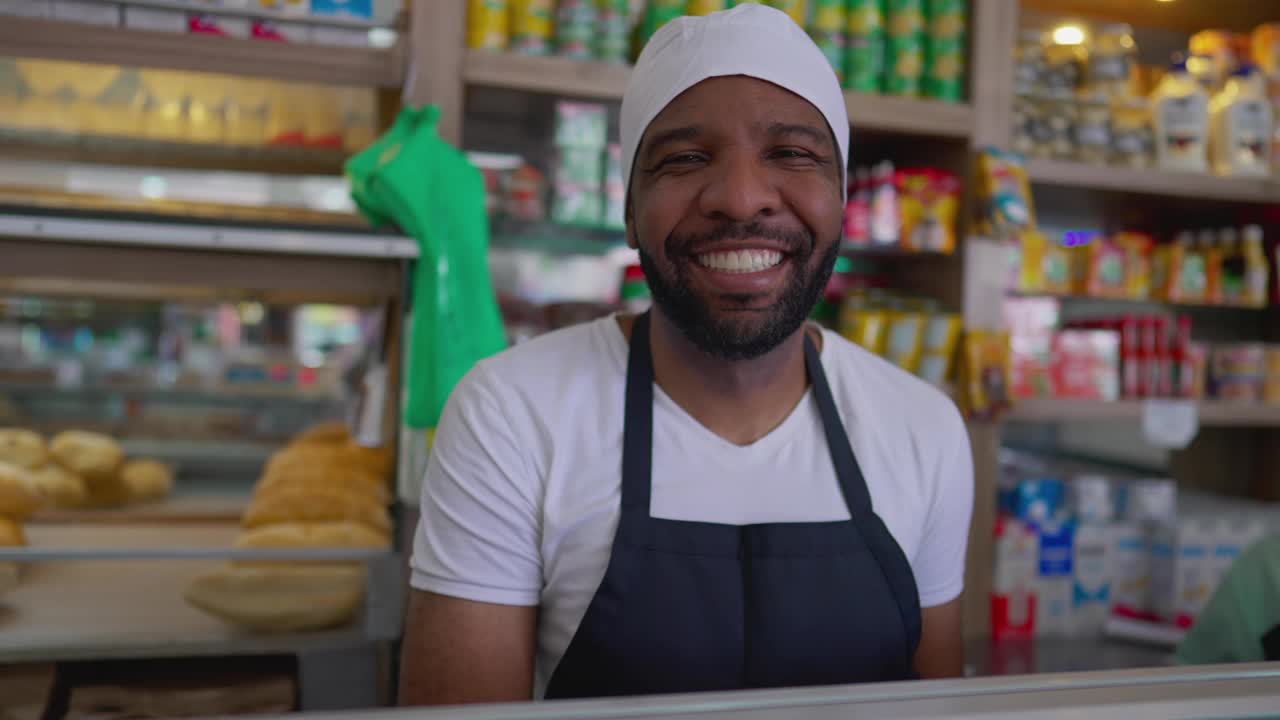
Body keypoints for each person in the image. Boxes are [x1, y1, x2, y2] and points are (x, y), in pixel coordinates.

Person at [400, 3, 973, 705]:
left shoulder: (923, 428)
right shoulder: (512, 414)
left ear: (843, 198)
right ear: (630, 210)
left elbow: (940, 708)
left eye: (792, 153)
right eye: (684, 158)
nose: (740, 198)